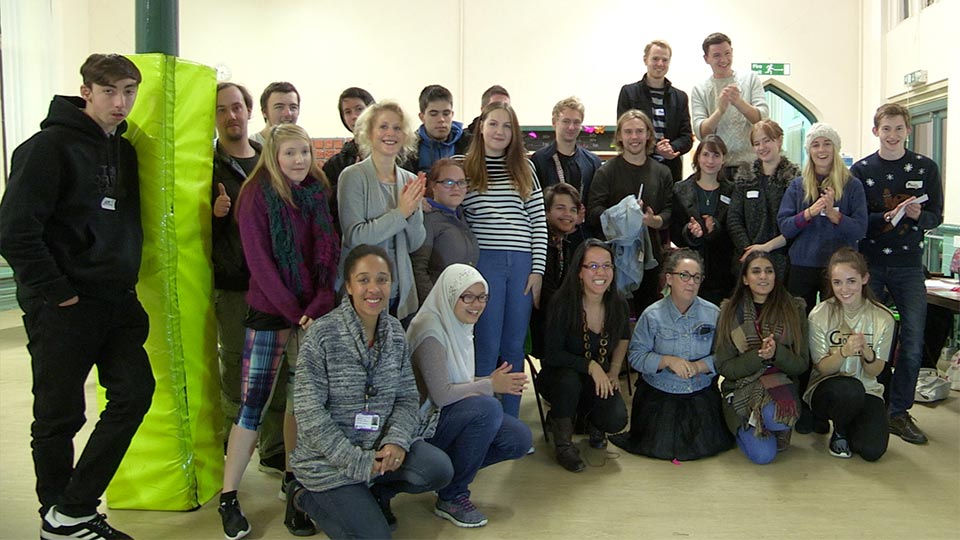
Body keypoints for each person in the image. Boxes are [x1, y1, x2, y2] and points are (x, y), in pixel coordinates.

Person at [0, 53, 152, 540]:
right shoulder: (47, 147)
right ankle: (58, 514)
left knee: (134, 394)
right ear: (86, 91)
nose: (120, 102)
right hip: (63, 308)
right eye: (110, 91)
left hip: (117, 301)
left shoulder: (122, 150)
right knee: (60, 415)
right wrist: (57, 294)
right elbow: (15, 231)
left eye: (129, 91)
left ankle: (72, 510)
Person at [219, 124, 340, 540]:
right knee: (253, 404)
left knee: (298, 403)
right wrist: (292, 310)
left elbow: (328, 252)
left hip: (309, 314)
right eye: (290, 153)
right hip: (272, 312)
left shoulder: (315, 191)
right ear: (273, 154)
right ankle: (229, 496)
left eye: (304, 152)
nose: (299, 161)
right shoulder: (255, 195)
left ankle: (295, 483)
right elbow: (259, 262)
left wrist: (321, 300)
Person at [287, 245, 454, 539]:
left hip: (379, 450)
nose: (373, 288)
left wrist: (397, 442)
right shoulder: (322, 335)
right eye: (363, 280)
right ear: (349, 286)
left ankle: (374, 495)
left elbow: (406, 398)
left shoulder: (394, 332)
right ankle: (302, 496)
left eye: (382, 279)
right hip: (329, 463)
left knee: (437, 468)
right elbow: (310, 414)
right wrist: (358, 462)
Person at [407, 264, 531, 528]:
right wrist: (490, 385)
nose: (477, 304)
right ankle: (453, 495)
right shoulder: (430, 329)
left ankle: (448, 479)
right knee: (487, 408)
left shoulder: (458, 324)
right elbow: (441, 394)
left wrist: (491, 382)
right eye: (468, 297)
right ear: (451, 294)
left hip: (447, 414)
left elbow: (457, 383)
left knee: (518, 438)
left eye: (482, 297)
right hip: (421, 424)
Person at [851, 103, 943, 445]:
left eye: (898, 129)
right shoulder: (861, 170)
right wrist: (885, 218)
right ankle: (864, 402)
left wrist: (918, 215)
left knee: (913, 340)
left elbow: (936, 215)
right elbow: (859, 221)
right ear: (876, 131)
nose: (892, 135)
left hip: (908, 267)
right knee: (866, 337)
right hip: (871, 265)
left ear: (908, 131)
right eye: (886, 129)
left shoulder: (925, 167)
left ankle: (899, 411)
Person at [212, 82, 288, 476]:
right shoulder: (206, 165)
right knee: (236, 371)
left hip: (273, 286)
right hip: (235, 285)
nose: (232, 116)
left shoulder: (266, 159)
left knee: (279, 372)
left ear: (249, 112)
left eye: (237, 107)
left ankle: (274, 448)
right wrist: (214, 214)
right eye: (222, 110)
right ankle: (232, 448)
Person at [461, 101, 547, 418]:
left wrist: (537, 271)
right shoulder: (465, 168)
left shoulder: (525, 168)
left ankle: (509, 421)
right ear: (481, 126)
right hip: (485, 264)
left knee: (513, 345)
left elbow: (538, 222)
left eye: (507, 126)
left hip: (523, 263)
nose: (500, 131)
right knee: (485, 342)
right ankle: (482, 420)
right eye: (494, 124)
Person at [610, 249, 733, 460]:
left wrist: (699, 366)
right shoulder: (651, 315)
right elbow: (636, 356)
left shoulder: (714, 313)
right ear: (669, 278)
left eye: (696, 277)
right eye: (684, 275)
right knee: (661, 446)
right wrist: (666, 360)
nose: (691, 282)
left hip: (699, 392)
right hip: (659, 394)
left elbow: (725, 356)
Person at [540, 240, 629, 472]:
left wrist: (613, 370)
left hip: (596, 378)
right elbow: (552, 354)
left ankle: (588, 421)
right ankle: (564, 444)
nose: (601, 272)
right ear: (579, 272)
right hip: (559, 378)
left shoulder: (618, 303)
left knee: (616, 419)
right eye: (593, 266)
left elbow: (623, 337)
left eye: (607, 266)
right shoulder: (562, 303)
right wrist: (590, 365)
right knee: (568, 381)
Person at [715, 251, 808, 464]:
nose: (763, 276)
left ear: (776, 276)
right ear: (745, 279)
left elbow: (801, 364)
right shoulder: (729, 311)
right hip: (740, 390)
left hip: (780, 385)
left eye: (769, 271)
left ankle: (771, 423)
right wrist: (759, 357)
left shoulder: (794, 309)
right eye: (756, 271)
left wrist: (777, 353)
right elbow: (725, 368)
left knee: (777, 416)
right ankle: (747, 423)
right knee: (764, 456)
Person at [338, 101, 426, 321]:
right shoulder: (353, 177)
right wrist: (401, 212)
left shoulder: (410, 180)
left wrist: (412, 213)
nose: (391, 133)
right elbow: (356, 237)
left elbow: (415, 243)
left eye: (397, 128)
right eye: (383, 126)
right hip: (363, 293)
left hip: (398, 292)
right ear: (369, 132)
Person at [805, 248, 894, 461]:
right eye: (837, 282)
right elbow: (822, 368)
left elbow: (876, 371)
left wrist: (867, 352)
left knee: (872, 451)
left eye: (851, 281)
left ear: (864, 279)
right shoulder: (819, 314)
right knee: (849, 389)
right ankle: (840, 431)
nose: (844, 289)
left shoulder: (883, 317)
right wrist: (844, 351)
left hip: (867, 390)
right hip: (828, 389)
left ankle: (852, 425)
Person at [586, 109, 673, 316]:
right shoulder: (607, 171)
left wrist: (654, 220)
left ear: (648, 135)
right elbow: (593, 213)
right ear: (620, 137)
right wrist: (622, 216)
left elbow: (670, 211)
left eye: (639, 131)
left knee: (648, 315)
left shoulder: (662, 172)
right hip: (614, 259)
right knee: (613, 316)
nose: (634, 137)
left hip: (650, 259)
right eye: (628, 132)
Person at [777, 123, 868, 312]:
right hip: (802, 265)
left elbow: (860, 229)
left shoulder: (852, 185)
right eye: (815, 145)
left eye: (827, 144)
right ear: (809, 150)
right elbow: (785, 227)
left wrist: (835, 216)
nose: (821, 150)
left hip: (840, 268)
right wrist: (809, 213)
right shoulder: (797, 186)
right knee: (799, 323)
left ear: (835, 148)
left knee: (837, 323)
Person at [728, 120, 801, 279]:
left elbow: (796, 223)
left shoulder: (795, 180)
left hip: (784, 261)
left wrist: (767, 248)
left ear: (779, 140)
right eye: (757, 143)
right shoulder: (744, 177)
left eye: (767, 140)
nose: (762, 147)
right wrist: (750, 251)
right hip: (747, 260)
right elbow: (734, 219)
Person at [670, 134, 736, 305]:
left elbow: (735, 232)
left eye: (716, 155)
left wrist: (715, 229)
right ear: (697, 157)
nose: (710, 160)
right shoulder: (680, 189)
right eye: (705, 154)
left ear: (723, 159)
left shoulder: (733, 191)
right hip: (689, 272)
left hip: (722, 272)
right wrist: (691, 233)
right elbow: (674, 233)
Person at [617, 40, 693, 182]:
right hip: (636, 166)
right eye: (655, 59)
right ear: (645, 60)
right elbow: (624, 133)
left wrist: (671, 148)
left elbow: (687, 137)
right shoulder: (629, 93)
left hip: (670, 170)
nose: (660, 64)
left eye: (665, 60)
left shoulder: (680, 97)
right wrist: (654, 148)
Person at [690, 32, 769, 168]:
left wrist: (739, 102)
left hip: (751, 164)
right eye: (717, 56)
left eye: (727, 53)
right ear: (706, 58)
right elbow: (701, 133)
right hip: (717, 167)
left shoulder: (750, 79)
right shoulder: (700, 89)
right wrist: (720, 110)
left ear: (732, 52)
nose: (724, 60)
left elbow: (762, 119)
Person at [530, 183, 587, 359]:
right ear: (546, 212)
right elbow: (547, 299)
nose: (567, 215)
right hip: (542, 331)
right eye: (560, 208)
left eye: (572, 210)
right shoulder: (541, 247)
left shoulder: (565, 245)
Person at [410, 158, 479, 304]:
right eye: (448, 182)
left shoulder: (463, 217)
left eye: (461, 182)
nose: (456, 188)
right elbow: (418, 269)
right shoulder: (427, 219)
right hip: (437, 308)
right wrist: (435, 305)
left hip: (462, 306)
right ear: (433, 186)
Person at [530, 96, 602, 203]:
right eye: (566, 121)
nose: (571, 127)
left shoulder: (592, 162)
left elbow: (596, 201)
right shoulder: (539, 161)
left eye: (576, 122)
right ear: (554, 122)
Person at [402, 85, 472, 175]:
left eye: (446, 113)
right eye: (434, 114)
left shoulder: (470, 144)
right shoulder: (409, 149)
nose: (441, 119)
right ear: (422, 117)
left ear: (452, 115)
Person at [322, 87, 375, 185]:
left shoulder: (394, 154)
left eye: (359, 109)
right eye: (347, 112)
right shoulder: (336, 164)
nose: (354, 116)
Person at [251, 81, 300, 145]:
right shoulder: (251, 146)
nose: (288, 113)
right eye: (279, 107)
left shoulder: (302, 146)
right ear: (264, 112)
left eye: (293, 107)